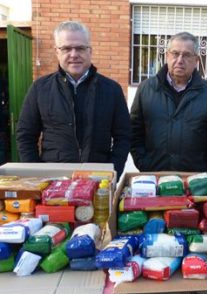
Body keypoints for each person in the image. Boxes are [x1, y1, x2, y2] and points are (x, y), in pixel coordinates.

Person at [16, 21, 130, 177]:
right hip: (52, 180)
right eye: (66, 48)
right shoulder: (40, 89)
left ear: (90, 51)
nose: (74, 54)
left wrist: (113, 172)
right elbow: (25, 136)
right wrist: (36, 176)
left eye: (80, 48)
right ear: (57, 52)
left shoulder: (112, 90)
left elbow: (123, 137)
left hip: (98, 180)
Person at [130, 32, 207, 172]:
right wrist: (144, 163)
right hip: (155, 174)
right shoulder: (146, 89)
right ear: (167, 56)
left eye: (186, 55)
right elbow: (134, 132)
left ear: (196, 60)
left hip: (195, 180)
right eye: (175, 53)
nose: (180, 60)